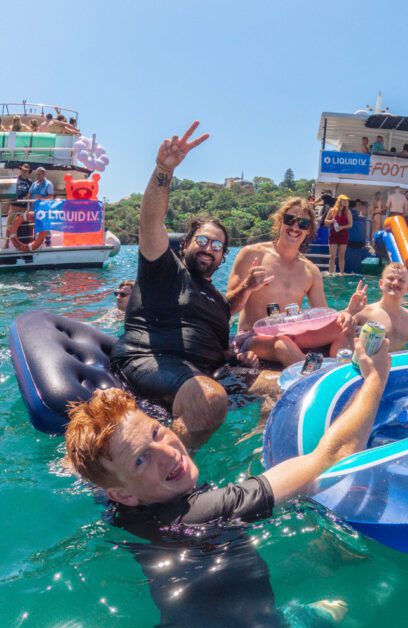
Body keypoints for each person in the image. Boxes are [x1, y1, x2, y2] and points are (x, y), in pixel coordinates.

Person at [65, 338, 390, 628]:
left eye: (156, 432)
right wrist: (376, 377)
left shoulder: (120, 505)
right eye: (141, 459)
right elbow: (333, 457)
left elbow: (102, 479)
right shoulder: (206, 510)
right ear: (123, 494)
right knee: (340, 608)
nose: (168, 452)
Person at [110, 122, 271, 449]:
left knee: (287, 388)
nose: (209, 249)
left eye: (217, 246)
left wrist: (236, 358)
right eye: (203, 240)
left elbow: (228, 307)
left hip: (209, 372)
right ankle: (160, 488)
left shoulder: (216, 298)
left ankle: (255, 456)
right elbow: (150, 222)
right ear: (185, 244)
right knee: (209, 399)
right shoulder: (165, 268)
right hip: (152, 361)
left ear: (222, 256)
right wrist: (163, 170)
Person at [228, 197, 353, 366]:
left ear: (309, 230)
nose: (295, 227)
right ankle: (316, 376)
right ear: (280, 221)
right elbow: (227, 308)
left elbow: (323, 315)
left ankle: (340, 374)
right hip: (252, 337)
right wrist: (247, 286)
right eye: (290, 220)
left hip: (294, 334)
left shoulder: (311, 270)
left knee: (345, 327)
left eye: (303, 224)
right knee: (282, 344)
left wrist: (345, 313)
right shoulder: (252, 254)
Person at [347, 263, 408, 351]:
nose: (395, 283)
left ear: (407, 288)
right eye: (391, 278)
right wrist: (350, 311)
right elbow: (336, 330)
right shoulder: (362, 313)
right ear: (381, 283)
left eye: (401, 280)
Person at [3, 164, 32, 249]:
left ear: (29, 172)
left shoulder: (30, 182)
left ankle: (19, 244)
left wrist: (29, 206)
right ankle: (6, 243)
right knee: (9, 225)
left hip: (23, 207)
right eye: (23, 170)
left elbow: (31, 194)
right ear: (21, 170)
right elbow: (9, 192)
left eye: (26, 170)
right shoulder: (15, 179)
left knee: (19, 226)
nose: (24, 172)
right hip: (14, 206)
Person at [324, 194, 353, 274]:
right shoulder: (332, 210)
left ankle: (341, 273)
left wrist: (341, 227)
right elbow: (325, 222)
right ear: (339, 201)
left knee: (341, 256)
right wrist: (331, 221)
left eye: (347, 200)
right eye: (344, 200)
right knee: (332, 256)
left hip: (343, 235)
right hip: (333, 234)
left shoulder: (348, 212)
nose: (346, 202)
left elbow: (350, 224)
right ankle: (330, 273)